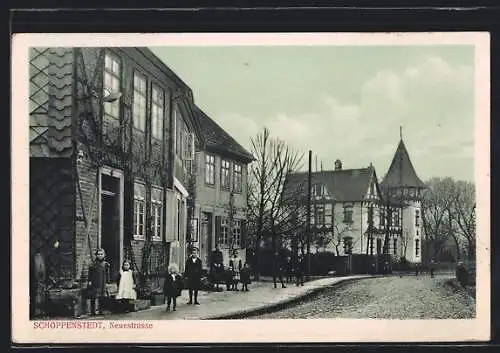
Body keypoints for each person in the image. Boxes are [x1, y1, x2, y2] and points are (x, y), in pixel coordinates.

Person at [86, 248, 110, 316]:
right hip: (94, 282)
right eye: (98, 254)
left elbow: (107, 274)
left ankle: (101, 310)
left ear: (104, 255)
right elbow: (90, 274)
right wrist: (89, 281)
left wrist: (107, 282)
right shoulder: (93, 264)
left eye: (101, 254)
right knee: (93, 296)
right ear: (96, 255)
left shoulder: (105, 264)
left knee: (101, 297)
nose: (100, 256)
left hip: (102, 282)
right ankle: (92, 311)